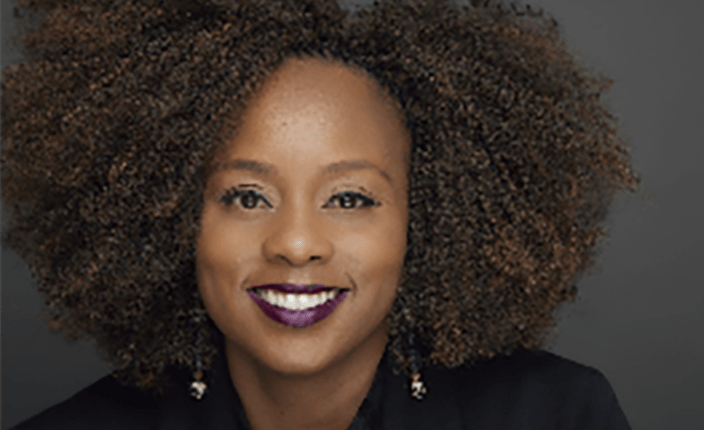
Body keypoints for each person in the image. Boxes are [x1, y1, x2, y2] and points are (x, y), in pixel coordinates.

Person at [1, 0, 643, 428]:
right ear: (171, 218)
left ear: (424, 219)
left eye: (350, 199)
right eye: (247, 196)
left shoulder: (556, 414)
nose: (296, 242)